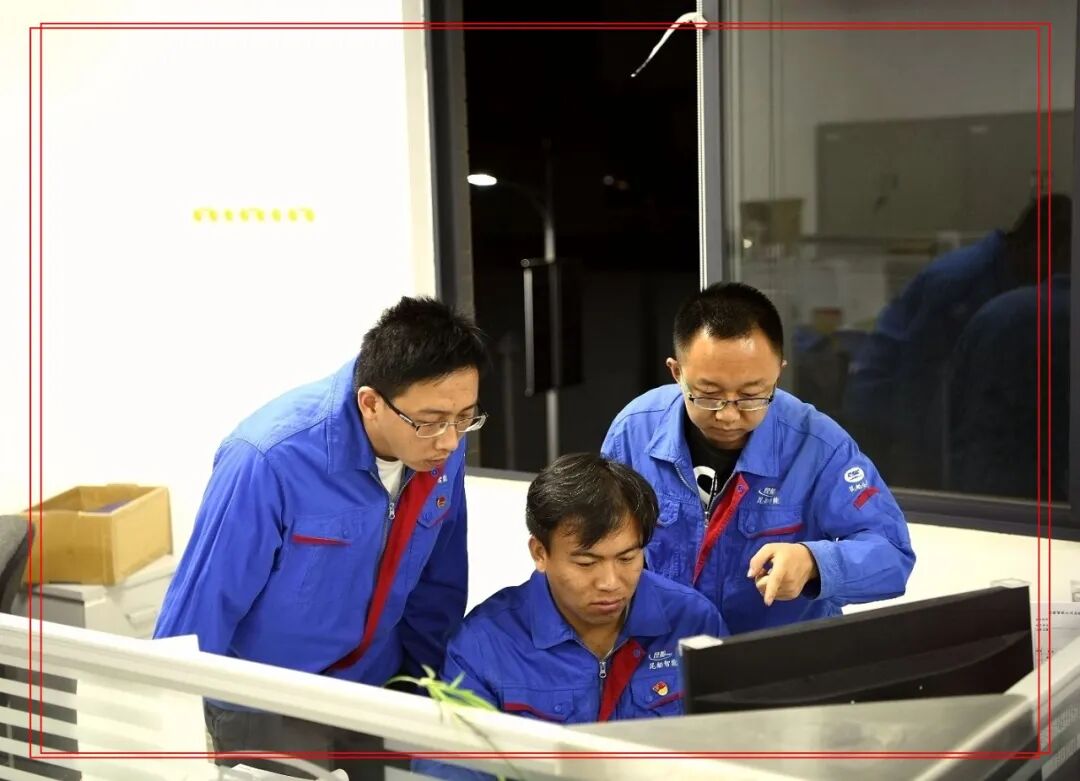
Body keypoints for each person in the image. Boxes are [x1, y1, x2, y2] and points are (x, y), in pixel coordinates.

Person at [154, 296, 490, 779]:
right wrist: (171, 743)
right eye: (432, 421)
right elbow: (201, 609)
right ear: (371, 403)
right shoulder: (269, 458)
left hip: (375, 689)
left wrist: (425, 690)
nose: (451, 440)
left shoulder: (438, 445)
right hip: (267, 704)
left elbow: (438, 582)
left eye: (465, 417)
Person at [601, 282, 915, 635]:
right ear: (677, 372)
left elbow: (892, 555)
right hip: (664, 652)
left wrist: (814, 562)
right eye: (708, 395)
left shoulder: (819, 446)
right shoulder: (635, 430)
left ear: (778, 372)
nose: (728, 415)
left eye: (751, 395)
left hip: (778, 654)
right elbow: (599, 541)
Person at [414, 453, 725, 780]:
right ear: (540, 553)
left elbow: (735, 745)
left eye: (626, 558)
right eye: (586, 563)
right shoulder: (484, 644)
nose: (610, 582)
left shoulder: (693, 620)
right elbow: (449, 769)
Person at [843, 194, 1071, 489]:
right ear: (1038, 246)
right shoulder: (963, 281)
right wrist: (923, 475)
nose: (1060, 273)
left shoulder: (1008, 282)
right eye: (1062, 259)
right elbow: (920, 379)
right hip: (882, 411)